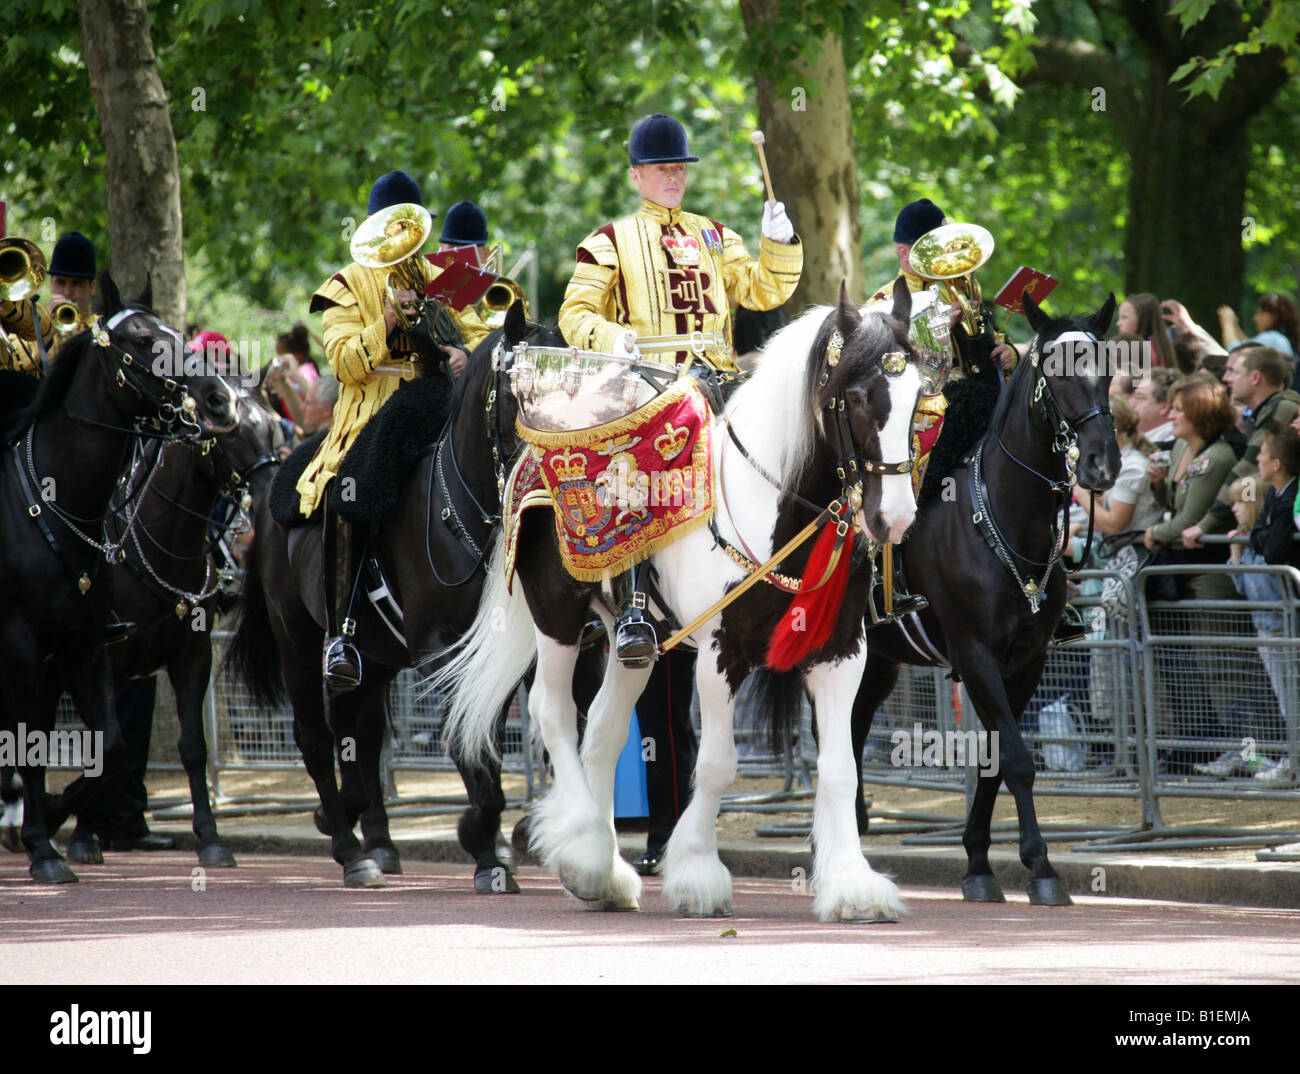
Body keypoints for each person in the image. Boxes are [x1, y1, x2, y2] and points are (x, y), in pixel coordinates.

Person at [557, 111, 802, 664]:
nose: (672, 177)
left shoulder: (715, 235)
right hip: (652, 384)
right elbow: (574, 313)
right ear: (636, 175)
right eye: (660, 168)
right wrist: (612, 335)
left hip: (720, 379)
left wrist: (778, 244)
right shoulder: (609, 241)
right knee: (636, 471)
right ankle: (637, 602)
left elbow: (763, 291)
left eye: (679, 168)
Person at [297, 169, 451, 688]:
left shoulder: (440, 275)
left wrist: (463, 350)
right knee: (349, 488)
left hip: (437, 404)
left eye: (408, 227)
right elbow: (343, 364)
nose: (401, 240)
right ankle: (340, 632)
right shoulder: (345, 284)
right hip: (370, 414)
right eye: (390, 227)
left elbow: (474, 330)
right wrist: (385, 321)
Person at [1143, 378, 1238, 773]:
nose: (1170, 415)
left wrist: (1151, 534)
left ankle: (1247, 752)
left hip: (1208, 573)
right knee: (1197, 667)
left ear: (1199, 413)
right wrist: (1157, 485)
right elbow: (1172, 503)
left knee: (1223, 668)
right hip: (1181, 572)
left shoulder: (1217, 457)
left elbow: (1189, 519)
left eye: (1179, 410)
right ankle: (1217, 748)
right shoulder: (1182, 447)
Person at [1208, 426, 1300, 781]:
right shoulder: (1252, 538)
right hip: (1266, 628)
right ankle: (1278, 759)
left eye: (1240, 502)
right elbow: (1244, 584)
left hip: (1281, 625)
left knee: (1289, 696)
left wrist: (1251, 539)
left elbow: (1269, 558)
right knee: (1282, 698)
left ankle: (1287, 760)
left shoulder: (1276, 506)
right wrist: (1237, 549)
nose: (1233, 509)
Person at [1181, 347, 1300, 548]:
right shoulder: (1264, 411)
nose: (1226, 378)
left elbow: (1250, 469)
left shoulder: (1281, 407)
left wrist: (1205, 525)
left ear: (1255, 378)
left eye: (1234, 372)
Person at [1072, 395, 1163, 537]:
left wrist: (1079, 491)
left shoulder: (1132, 467)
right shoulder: (1120, 459)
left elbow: (1114, 526)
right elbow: (1107, 506)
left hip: (1136, 552)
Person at [431, 199, 496, 373]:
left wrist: (468, 353)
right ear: (441, 249)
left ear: (485, 254)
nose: (458, 256)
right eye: (452, 248)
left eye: (467, 249)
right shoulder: (425, 283)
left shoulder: (502, 292)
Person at [1217, 292, 1299, 359]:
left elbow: (1235, 353)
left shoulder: (1271, 338)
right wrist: (1235, 326)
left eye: (1260, 313)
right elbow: (1248, 346)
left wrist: (1227, 323)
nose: (1255, 318)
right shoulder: (1281, 339)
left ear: (1273, 315)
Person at [1116, 292, 1180, 371]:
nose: (1118, 323)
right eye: (1119, 318)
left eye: (1124, 317)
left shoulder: (1143, 353)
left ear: (1143, 320)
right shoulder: (1161, 348)